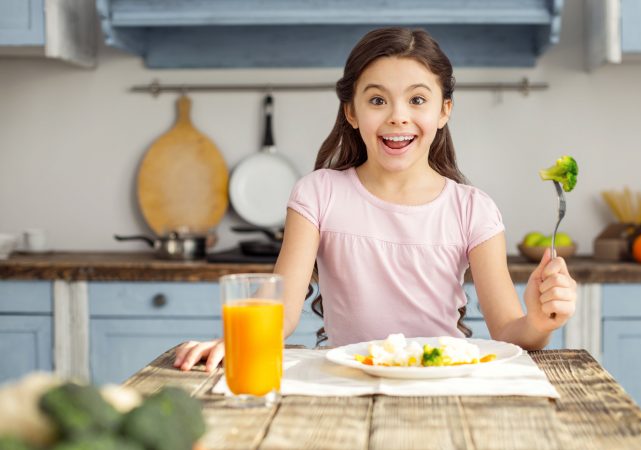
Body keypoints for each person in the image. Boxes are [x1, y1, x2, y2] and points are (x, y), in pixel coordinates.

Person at [174, 27, 577, 372]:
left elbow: (509, 332)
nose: (397, 116)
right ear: (351, 111)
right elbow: (281, 303)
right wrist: (241, 339)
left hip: (439, 385)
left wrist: (540, 321)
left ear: (444, 111)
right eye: (377, 100)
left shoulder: (473, 209)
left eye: (417, 100)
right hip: (346, 382)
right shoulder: (318, 194)